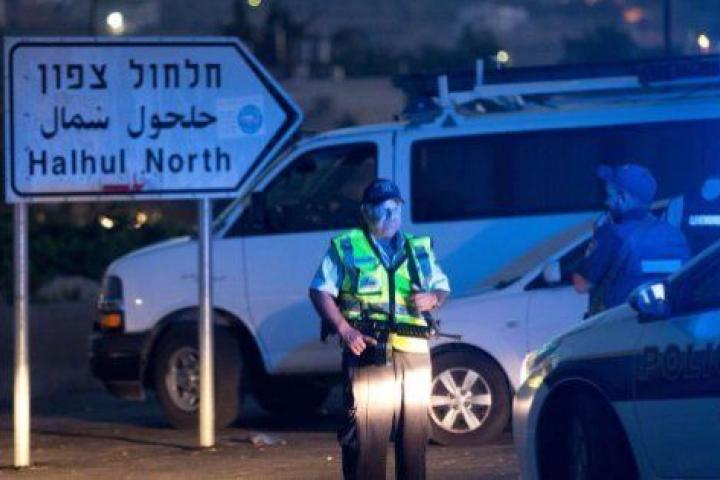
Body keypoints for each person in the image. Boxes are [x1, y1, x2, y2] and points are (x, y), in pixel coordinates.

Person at [308, 178, 450, 480]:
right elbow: (320, 290)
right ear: (365, 211)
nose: (391, 217)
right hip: (369, 349)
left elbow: (441, 288)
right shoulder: (347, 246)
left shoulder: (418, 248)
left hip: (414, 353)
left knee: (414, 437)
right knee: (367, 436)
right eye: (383, 210)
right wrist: (345, 329)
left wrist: (434, 298)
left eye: (395, 210)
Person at [573, 164, 690, 317]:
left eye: (610, 194)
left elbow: (581, 285)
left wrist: (594, 243)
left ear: (623, 198)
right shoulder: (675, 236)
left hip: (621, 324)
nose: (607, 201)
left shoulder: (611, 234)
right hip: (665, 324)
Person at [666, 174, 720, 257]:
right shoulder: (679, 203)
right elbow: (668, 241)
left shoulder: (678, 203)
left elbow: (667, 242)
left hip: (692, 263)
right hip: (690, 262)